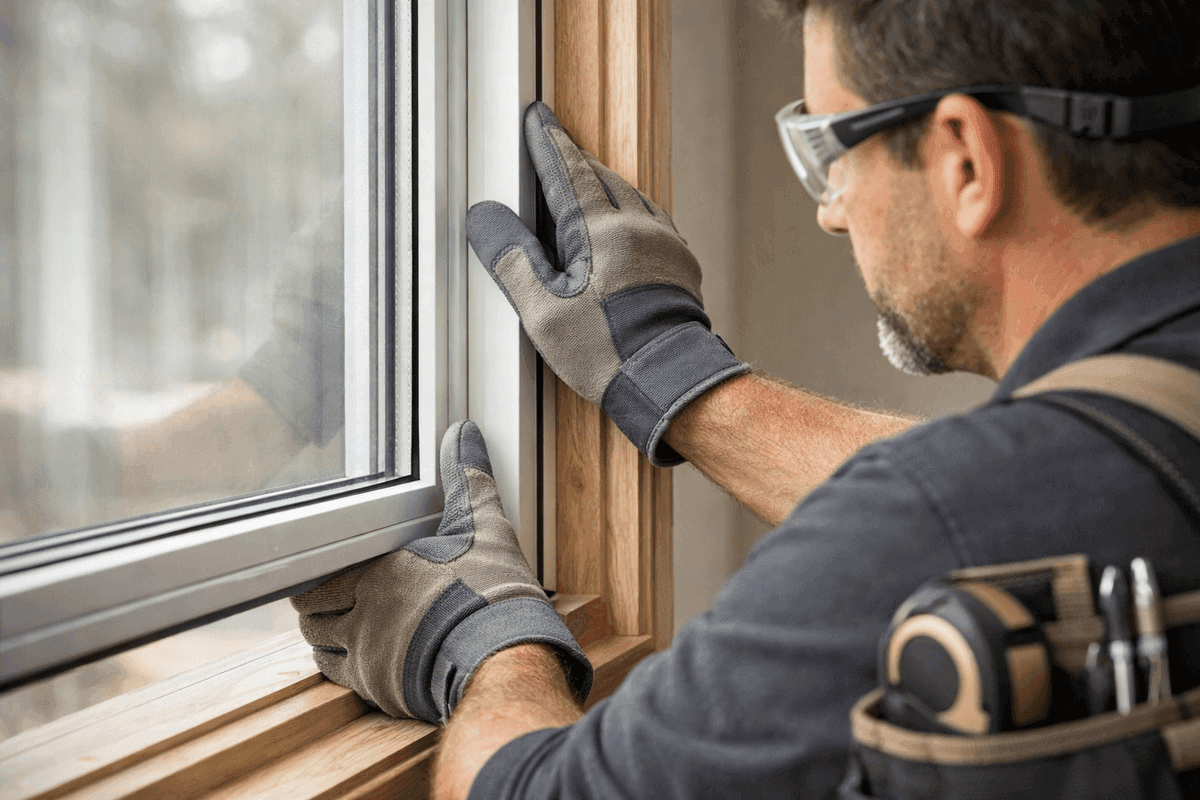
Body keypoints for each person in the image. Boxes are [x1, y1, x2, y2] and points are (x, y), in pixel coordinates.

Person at [289, 1, 1200, 798]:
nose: (831, 210)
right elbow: (1050, 488)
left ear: (966, 158)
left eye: (830, 149)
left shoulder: (932, 525)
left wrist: (486, 644)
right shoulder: (1089, 470)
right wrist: (681, 377)